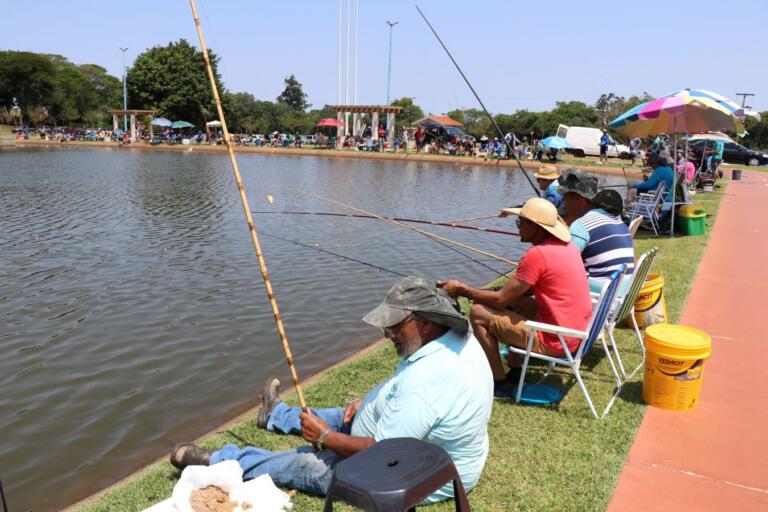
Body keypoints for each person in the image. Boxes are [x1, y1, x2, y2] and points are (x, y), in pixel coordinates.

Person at [170, 277, 493, 503]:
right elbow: (403, 389)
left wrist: (325, 438)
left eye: (394, 326)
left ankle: (220, 461)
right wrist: (369, 402)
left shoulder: (428, 382)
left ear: (426, 321)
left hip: (411, 476)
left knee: (303, 464)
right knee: (345, 413)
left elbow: (383, 454)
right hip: (413, 445)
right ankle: (276, 416)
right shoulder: (449, 340)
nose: (386, 334)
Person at [438, 198, 591, 397]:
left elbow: (501, 300)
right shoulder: (567, 246)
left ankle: (499, 383)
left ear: (535, 227)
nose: (518, 227)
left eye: (520, 223)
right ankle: (516, 370)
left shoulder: (538, 254)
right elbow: (521, 292)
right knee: (513, 302)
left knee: (478, 312)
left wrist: (463, 290)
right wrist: (488, 293)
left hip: (557, 340)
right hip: (575, 332)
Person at [558, 170, 635, 296]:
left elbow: (562, 268)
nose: (563, 202)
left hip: (598, 301)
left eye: (564, 196)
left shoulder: (582, 225)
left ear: (577, 197)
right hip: (620, 298)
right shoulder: (616, 219)